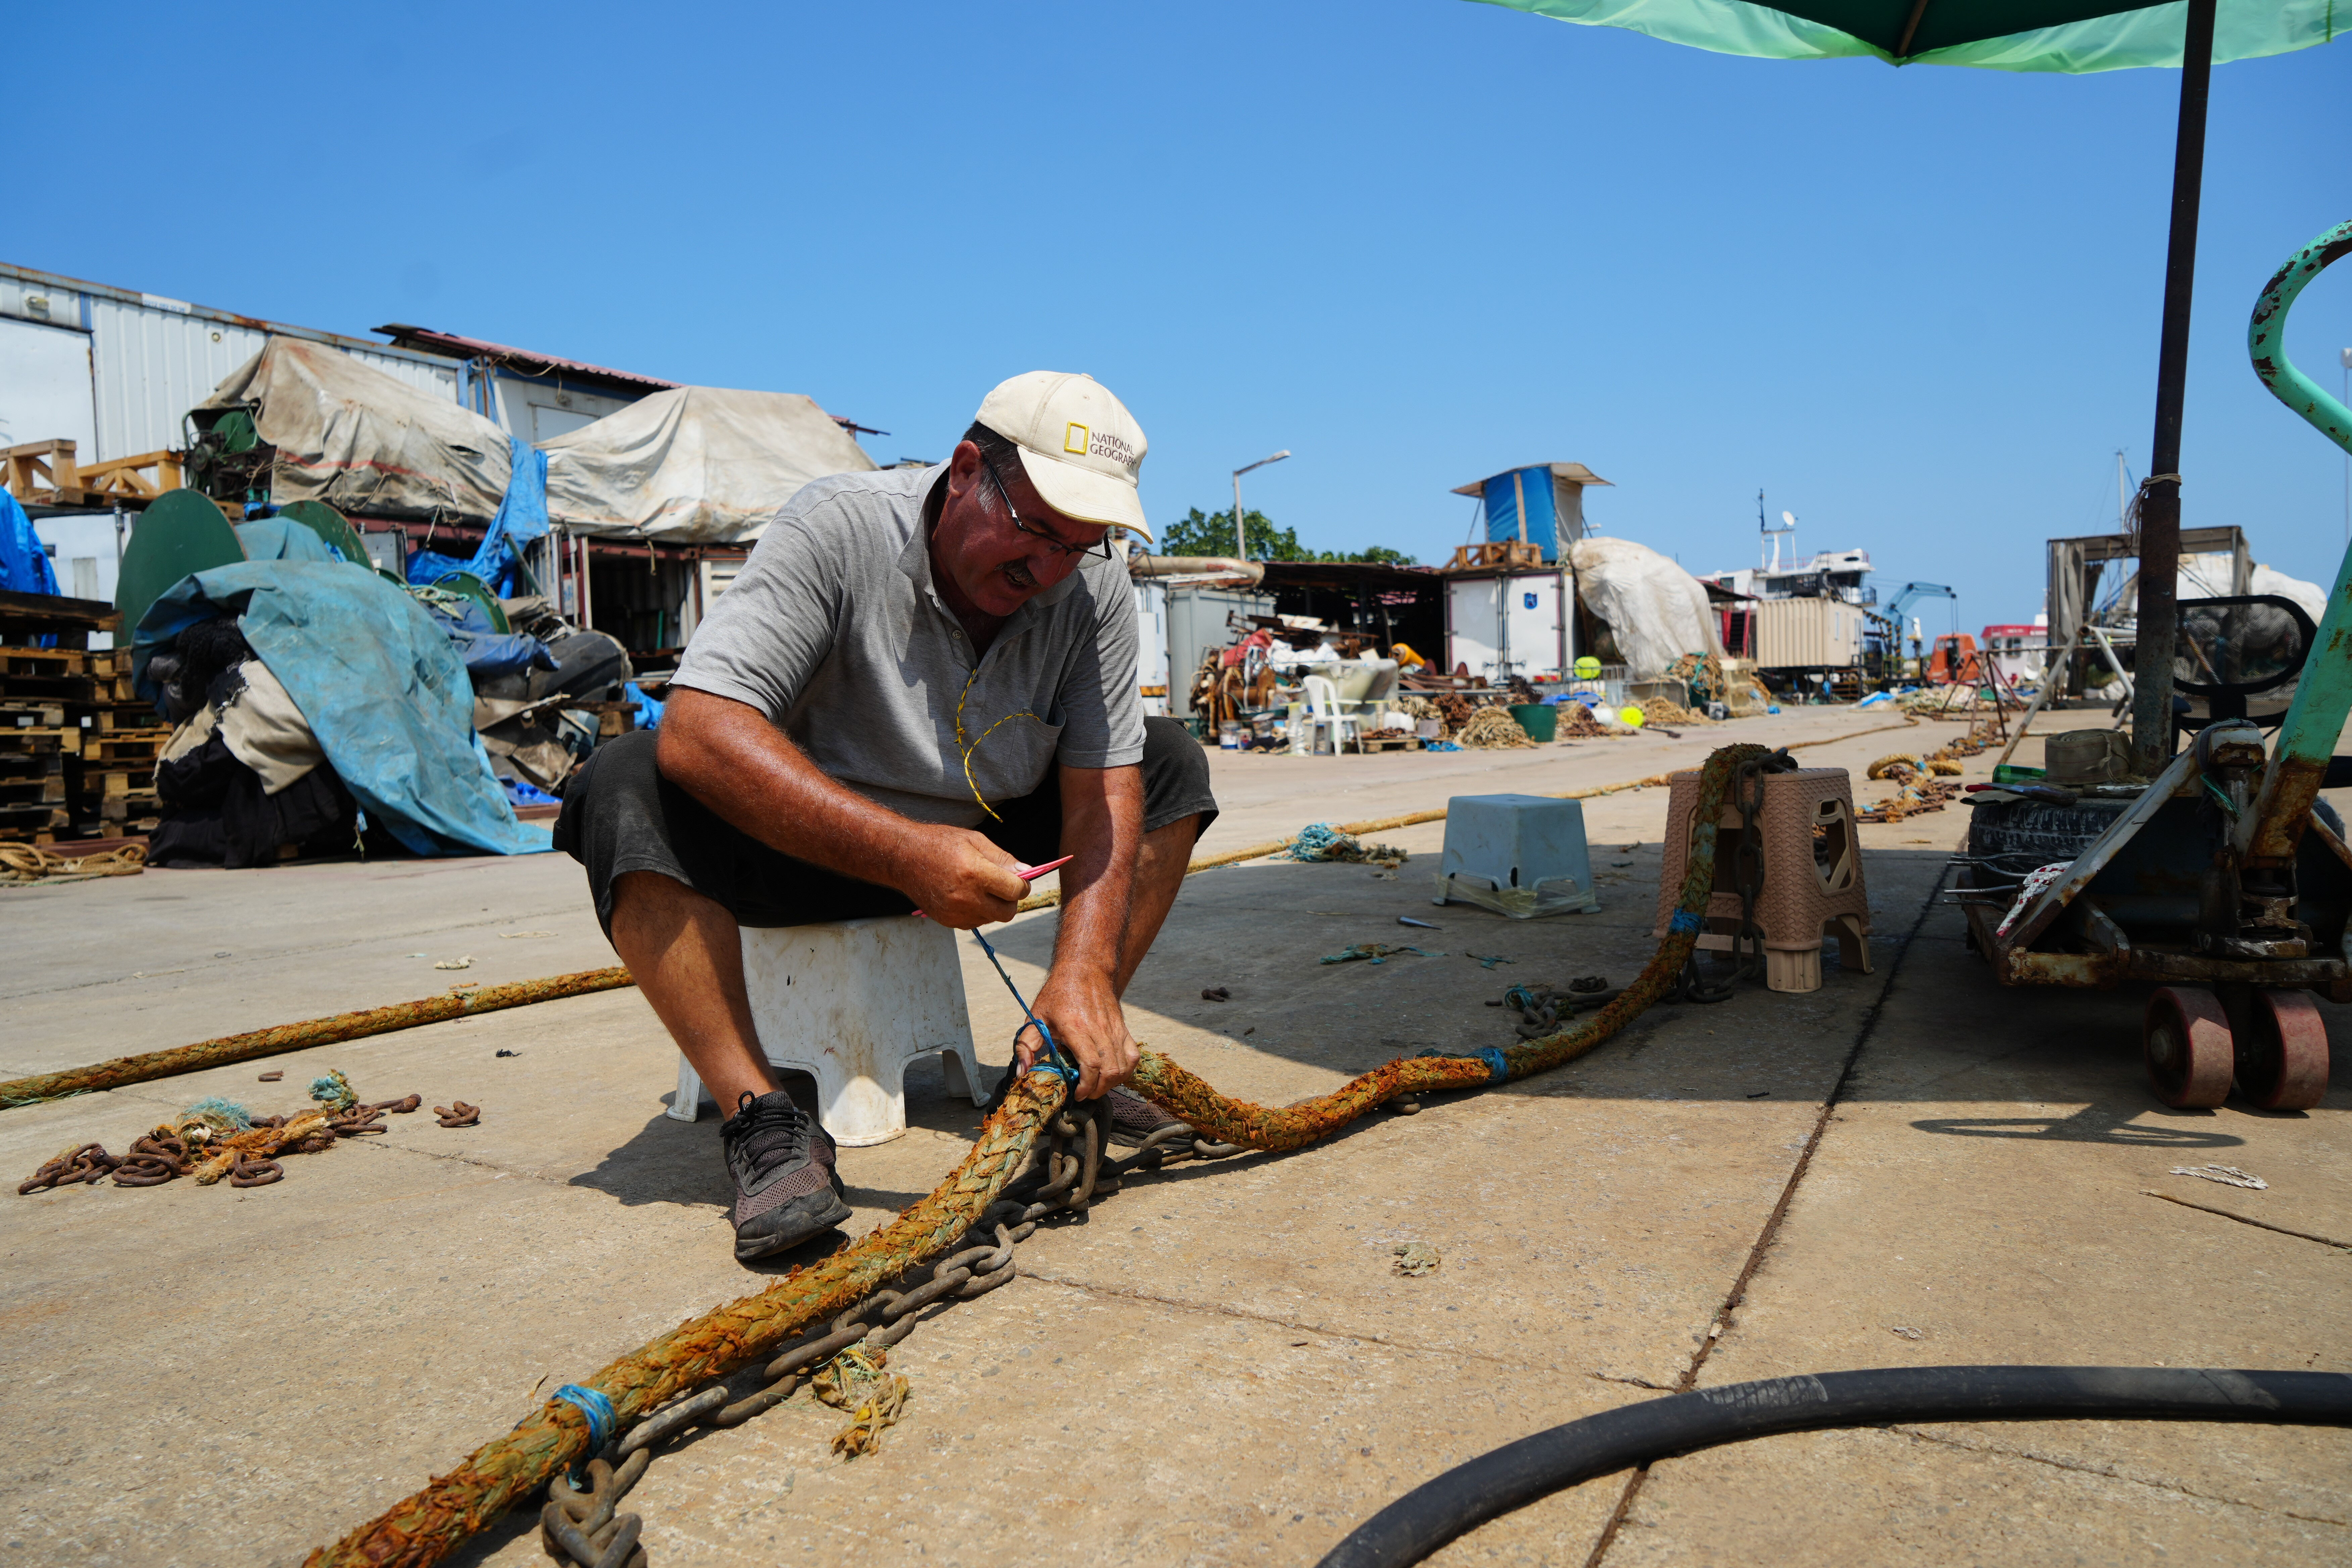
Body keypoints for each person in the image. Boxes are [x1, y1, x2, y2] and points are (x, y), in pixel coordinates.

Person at [556, 372, 1217, 1261]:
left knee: (1167, 761)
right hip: (802, 843)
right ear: (966, 470)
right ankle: (765, 1120)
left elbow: (1103, 789)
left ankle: (1055, 1056)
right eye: (1035, 532)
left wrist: (1086, 973)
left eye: (1080, 544)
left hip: (985, 840)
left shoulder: (1090, 587)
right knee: (623, 780)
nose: (1051, 570)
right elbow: (703, 728)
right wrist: (907, 853)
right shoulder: (840, 528)